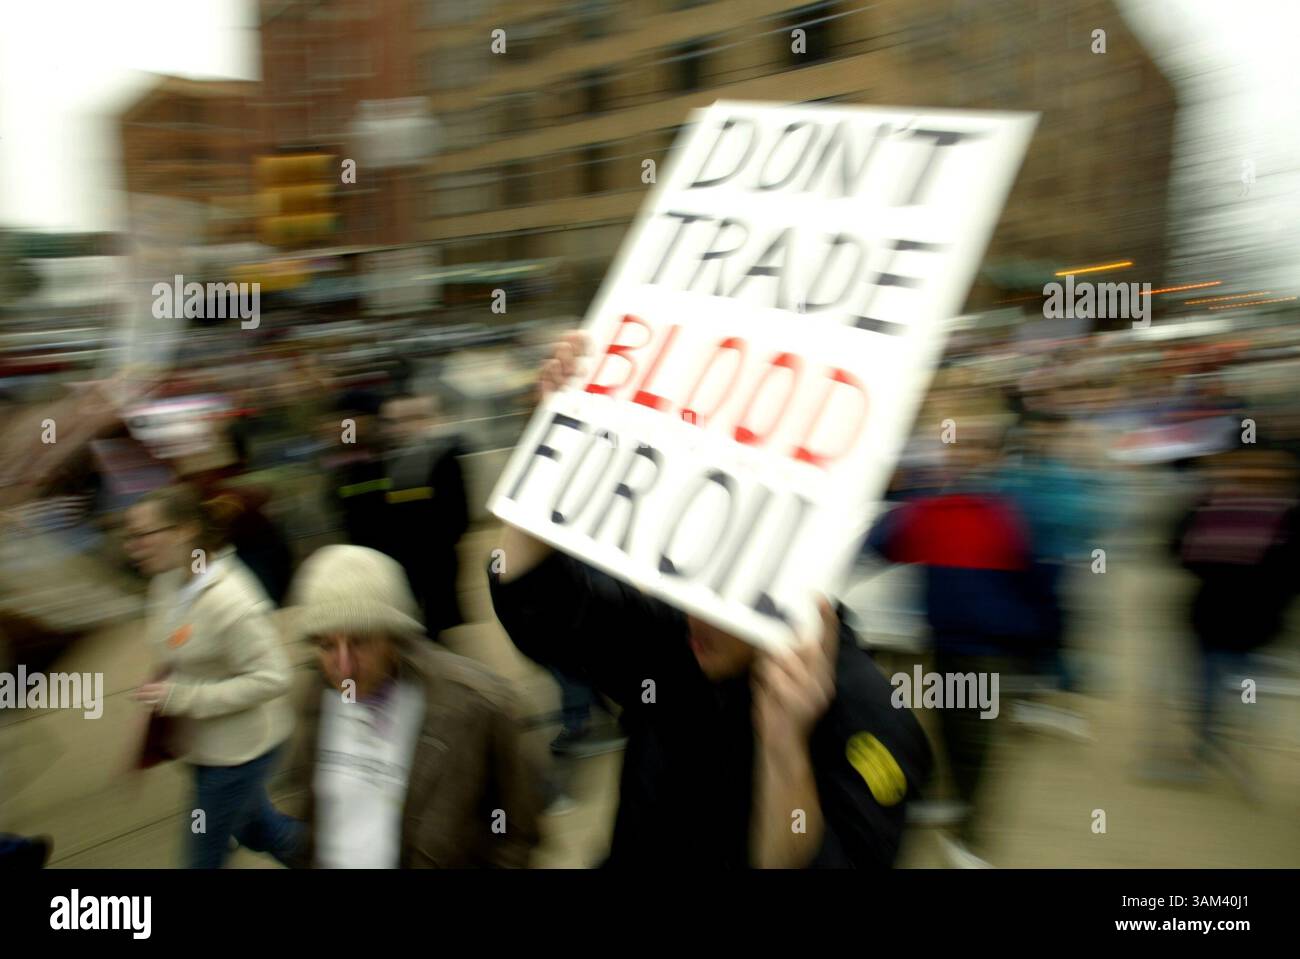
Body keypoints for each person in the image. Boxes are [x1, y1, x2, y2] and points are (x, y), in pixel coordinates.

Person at [488, 334, 931, 868]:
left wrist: (784, 747)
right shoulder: (675, 643)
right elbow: (531, 594)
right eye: (695, 582)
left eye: (725, 595)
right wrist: (561, 431)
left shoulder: (870, 717)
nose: (697, 614)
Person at [277, 544, 540, 868]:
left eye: (359, 641)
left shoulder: (475, 707)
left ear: (394, 637)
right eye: (326, 645)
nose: (343, 667)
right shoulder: (316, 694)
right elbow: (311, 813)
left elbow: (517, 832)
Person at [124, 484, 301, 868]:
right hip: (204, 743)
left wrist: (181, 696)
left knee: (202, 856)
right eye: (129, 536)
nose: (132, 547)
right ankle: (332, 854)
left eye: (143, 535)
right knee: (262, 830)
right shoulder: (168, 581)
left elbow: (273, 678)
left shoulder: (233, 601)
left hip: (240, 751)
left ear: (185, 530)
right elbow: (177, 643)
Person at [332, 393, 470, 637]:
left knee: (436, 629)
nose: (400, 428)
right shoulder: (372, 465)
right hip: (395, 567)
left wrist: (436, 547)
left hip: (434, 563)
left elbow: (457, 517)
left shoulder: (442, 459)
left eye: (411, 419)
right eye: (392, 421)